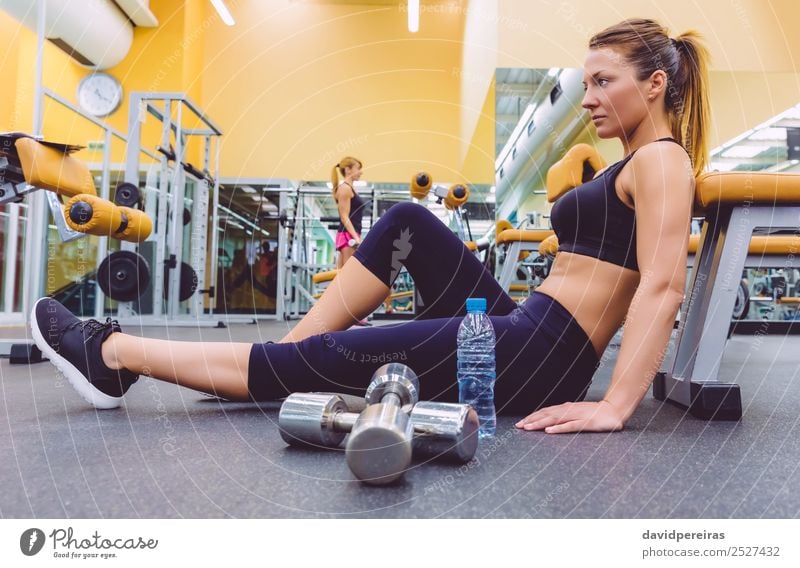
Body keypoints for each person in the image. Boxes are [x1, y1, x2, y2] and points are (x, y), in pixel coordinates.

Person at [30, 18, 709, 434]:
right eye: (585, 81)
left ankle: (111, 355)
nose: (588, 97)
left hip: (536, 357)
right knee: (407, 221)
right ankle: (280, 361)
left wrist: (614, 407)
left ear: (653, 85)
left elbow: (663, 287)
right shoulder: (633, 161)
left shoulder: (662, 160)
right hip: (523, 327)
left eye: (603, 81)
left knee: (336, 358)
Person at [332, 157, 367, 269]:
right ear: (348, 170)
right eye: (358, 168)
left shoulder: (350, 189)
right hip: (347, 236)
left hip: (350, 235)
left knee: (344, 276)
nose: (361, 172)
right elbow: (344, 216)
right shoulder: (345, 189)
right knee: (348, 275)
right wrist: (356, 238)